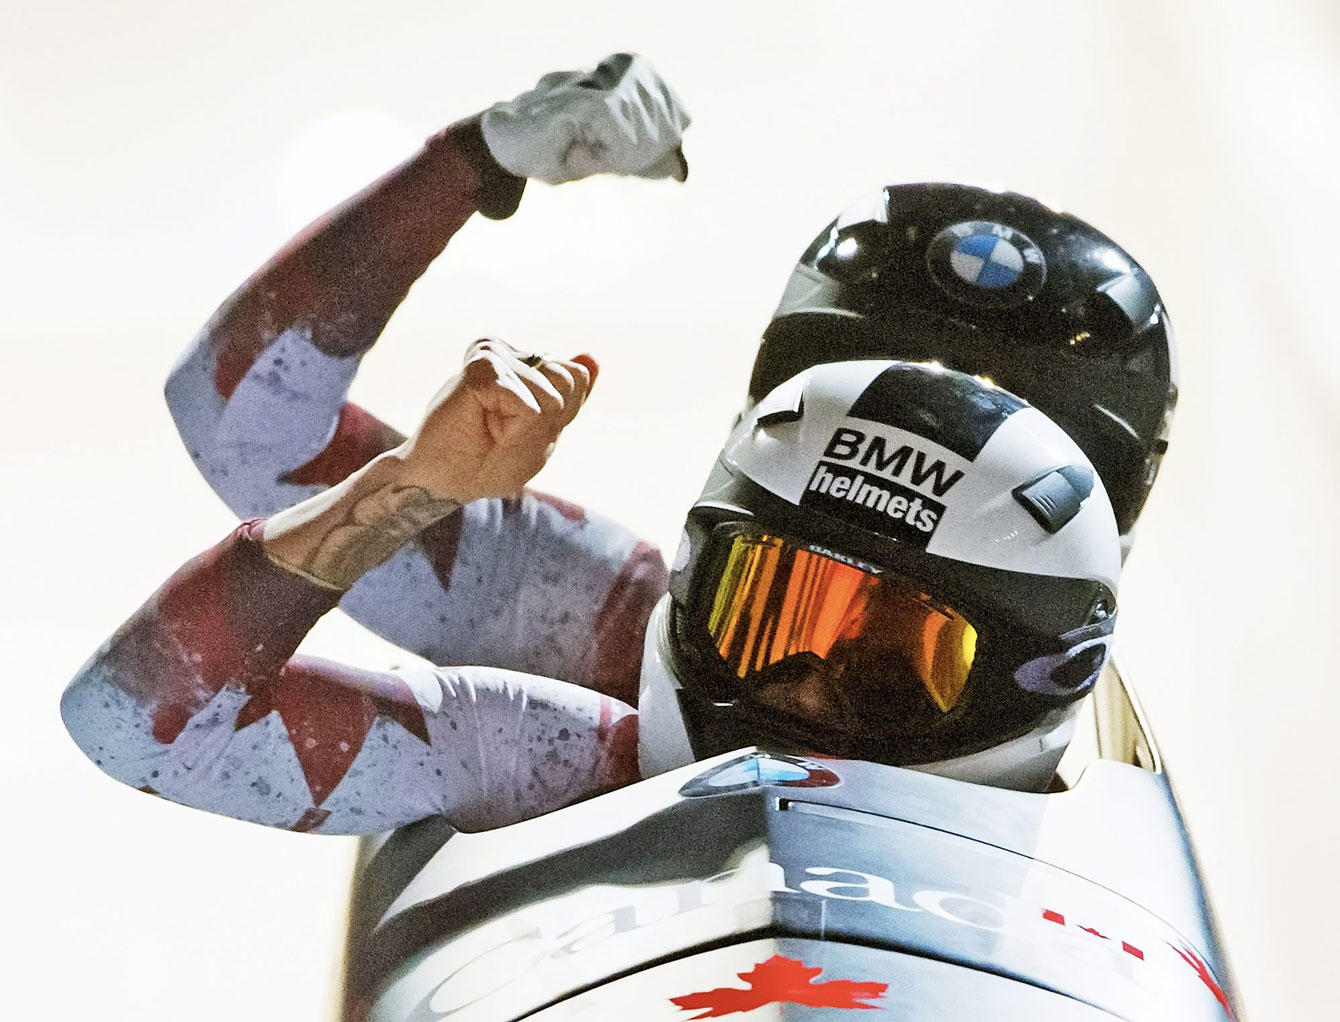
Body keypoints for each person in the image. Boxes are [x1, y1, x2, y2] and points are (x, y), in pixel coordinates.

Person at [60, 53, 1151, 834]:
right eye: (771, 609)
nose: (800, 691)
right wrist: (408, 484)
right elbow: (137, 705)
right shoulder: (577, 698)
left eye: (888, 661)